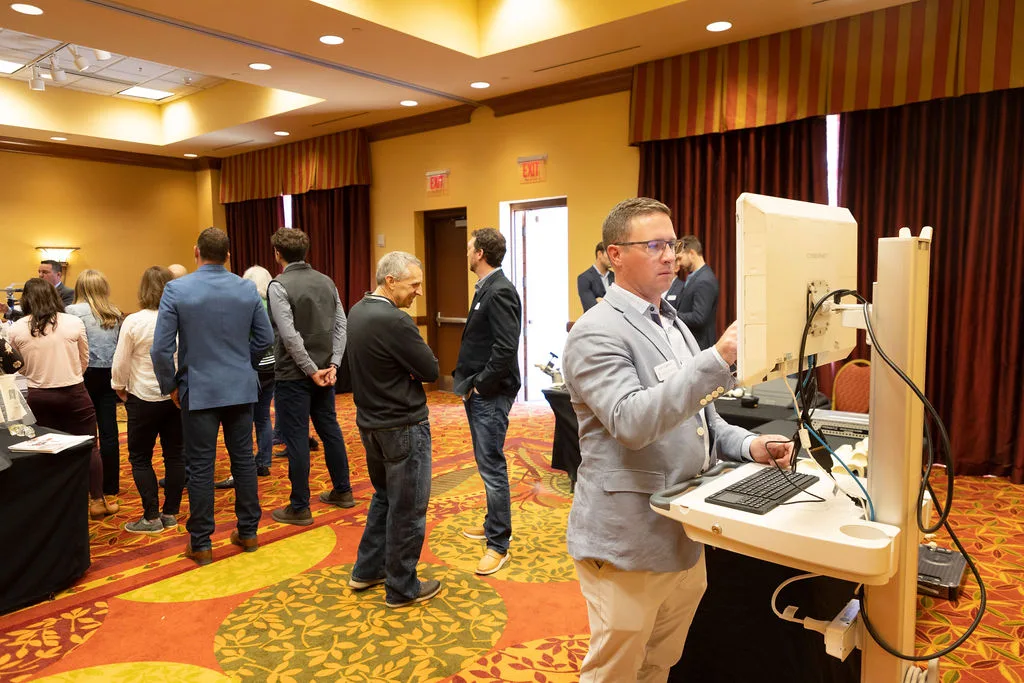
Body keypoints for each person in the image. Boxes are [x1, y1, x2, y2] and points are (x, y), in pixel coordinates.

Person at [561, 197, 794, 682]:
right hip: (628, 543)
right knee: (615, 673)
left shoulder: (673, 324)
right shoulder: (595, 333)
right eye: (654, 245)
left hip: (683, 534)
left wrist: (749, 445)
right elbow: (631, 421)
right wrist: (718, 356)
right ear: (615, 255)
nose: (670, 254)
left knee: (659, 664)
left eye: (671, 243)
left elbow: (703, 416)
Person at [151, 228, 274, 565]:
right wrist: (242, 365)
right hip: (240, 387)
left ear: (196, 252)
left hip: (199, 388)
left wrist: (171, 385)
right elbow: (265, 338)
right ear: (228, 255)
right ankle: (248, 531)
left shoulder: (177, 289)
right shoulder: (246, 288)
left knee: (201, 467)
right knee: (244, 460)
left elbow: (161, 348)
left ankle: (202, 543)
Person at [347, 251, 442, 607]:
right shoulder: (396, 322)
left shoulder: (357, 311)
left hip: (370, 423)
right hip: (402, 425)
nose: (418, 292)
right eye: (413, 284)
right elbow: (431, 370)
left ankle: (367, 569)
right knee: (408, 507)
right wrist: (410, 372)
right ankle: (402, 587)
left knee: (384, 498)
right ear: (390, 281)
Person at [267, 228, 354, 526]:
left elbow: (289, 335)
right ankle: (343, 491)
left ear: (278, 254)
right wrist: (334, 365)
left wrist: (309, 369)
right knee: (329, 429)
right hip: (325, 373)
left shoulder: (278, 285)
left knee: (296, 438)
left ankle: (300, 506)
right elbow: (342, 324)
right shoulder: (326, 281)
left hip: (294, 376)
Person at [8, 278, 111, 519]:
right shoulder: (73, 322)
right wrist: (71, 373)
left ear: (26, 300)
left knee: (45, 449)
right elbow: (84, 358)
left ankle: (53, 501)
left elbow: (17, 366)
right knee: (89, 446)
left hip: (37, 395)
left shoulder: (16, 328)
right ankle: (97, 500)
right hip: (74, 392)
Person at [453, 227, 521, 575]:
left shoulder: (499, 291)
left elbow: (506, 348)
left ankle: (499, 543)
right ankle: (492, 522)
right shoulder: (488, 288)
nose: (466, 253)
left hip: (490, 393)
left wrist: (480, 386)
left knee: (492, 467)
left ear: (480, 253)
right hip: (482, 390)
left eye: (469, 248)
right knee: (486, 463)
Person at [111, 266, 185, 534]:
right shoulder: (181, 317)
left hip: (142, 396)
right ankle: (171, 513)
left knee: (140, 457)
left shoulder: (134, 321)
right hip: (176, 395)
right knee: (175, 455)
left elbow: (121, 361)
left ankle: (151, 516)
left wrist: (119, 386)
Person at [215, 265, 275, 489]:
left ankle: (243, 466)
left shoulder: (248, 303)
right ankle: (264, 461)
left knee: (244, 420)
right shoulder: (272, 303)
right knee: (264, 417)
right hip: (272, 366)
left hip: (253, 365)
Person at [67, 270, 124, 502]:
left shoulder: (71, 312)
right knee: (109, 431)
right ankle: (110, 484)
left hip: (84, 374)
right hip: (109, 374)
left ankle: (87, 483)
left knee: (84, 432)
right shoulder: (114, 313)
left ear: (80, 288)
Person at [674, 235, 719, 350]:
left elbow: (699, 317)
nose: (678, 264)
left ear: (692, 253)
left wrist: (672, 315)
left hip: (699, 346)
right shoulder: (696, 277)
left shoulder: (705, 280)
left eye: (680, 258)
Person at [2, 260, 73, 321]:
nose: (40, 275)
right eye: (39, 272)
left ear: (58, 274)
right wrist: (8, 311)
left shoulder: (68, 293)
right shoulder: (34, 291)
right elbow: (28, 316)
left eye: (45, 272)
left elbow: (59, 318)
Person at [576, 242, 615, 312]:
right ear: (599, 254)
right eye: (609, 254)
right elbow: (590, 307)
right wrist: (611, 302)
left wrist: (601, 300)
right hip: (594, 321)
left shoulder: (615, 277)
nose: (612, 258)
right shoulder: (584, 278)